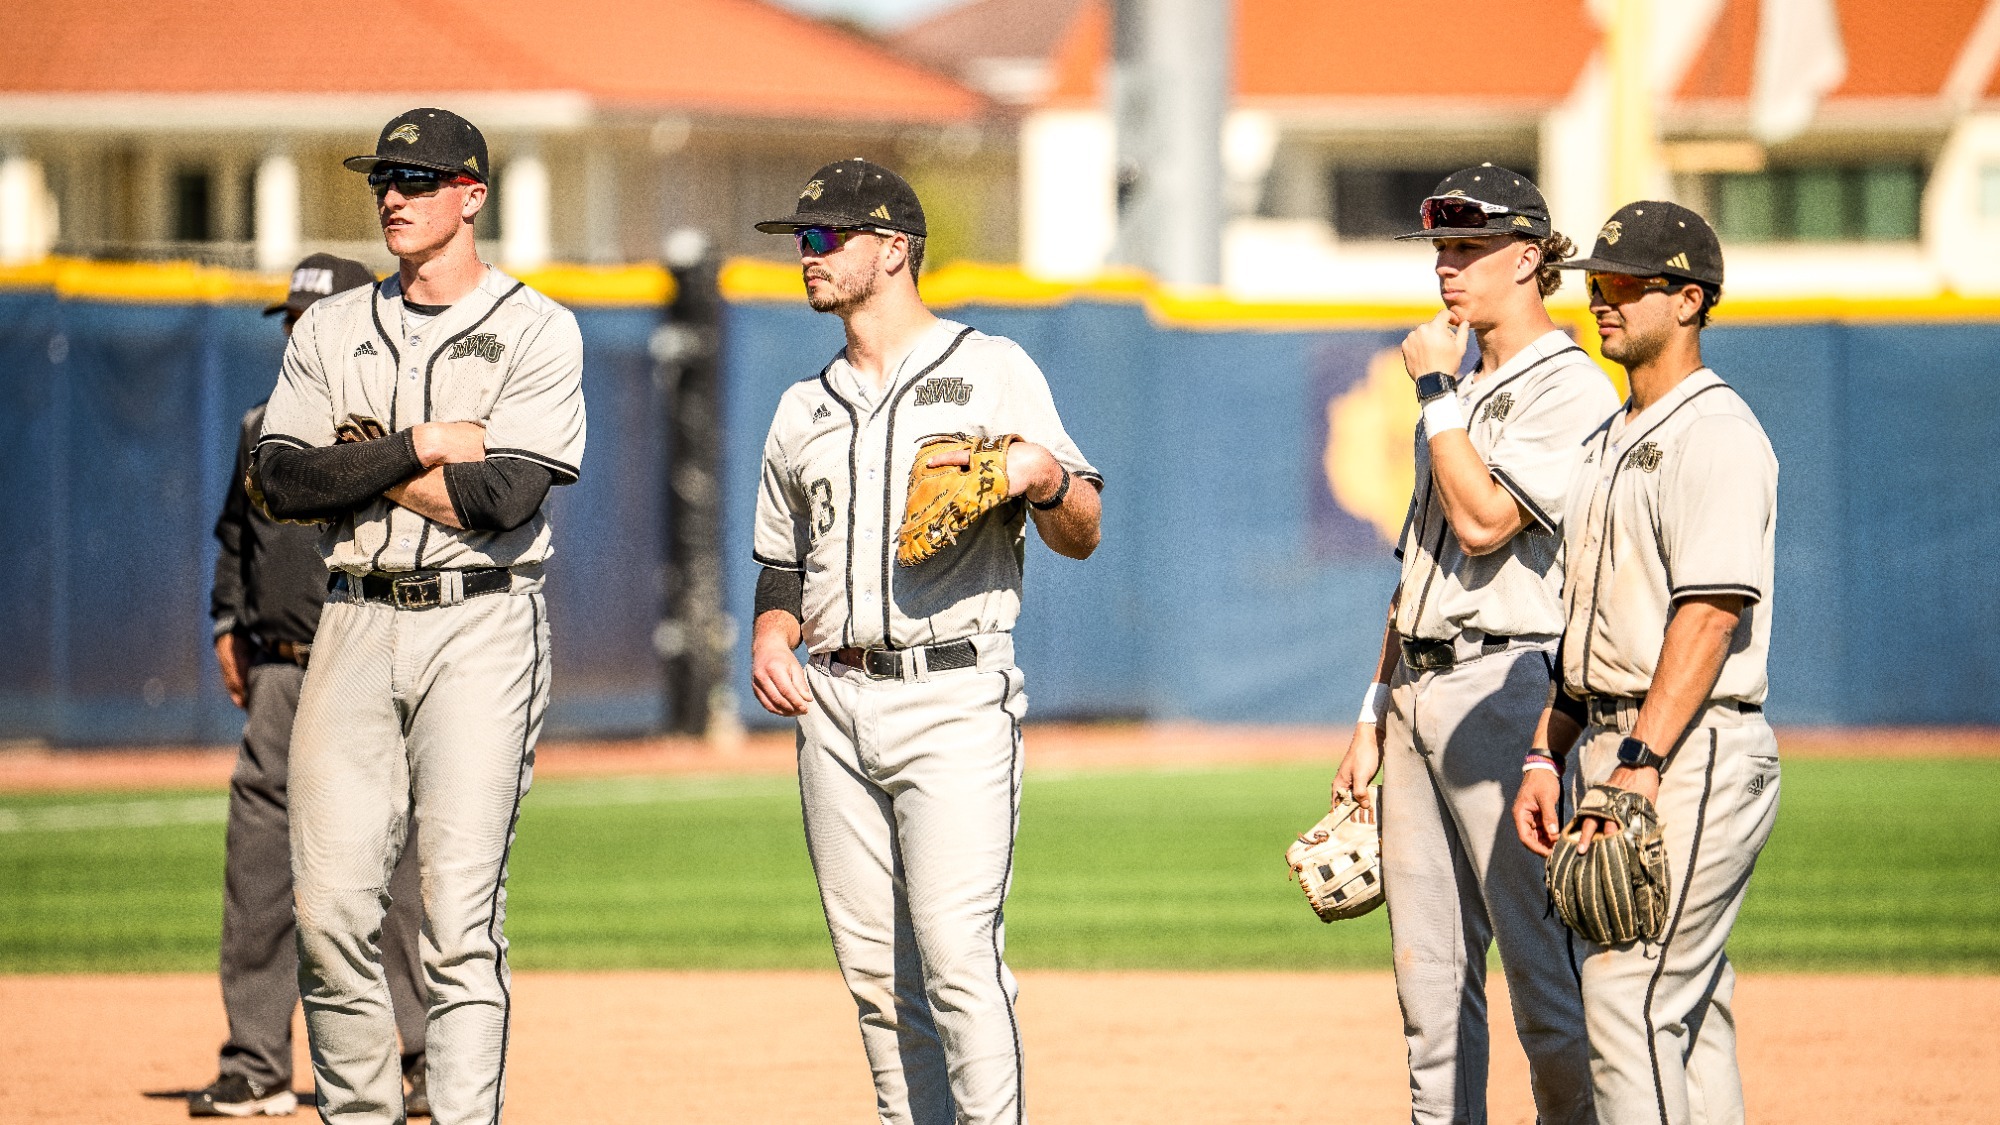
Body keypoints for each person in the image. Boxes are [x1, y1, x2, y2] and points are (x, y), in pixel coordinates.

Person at [747, 158, 1102, 1125]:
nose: (806, 256)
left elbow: (1085, 528)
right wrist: (771, 633)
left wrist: (1041, 477)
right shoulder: (801, 407)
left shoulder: (991, 368)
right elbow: (782, 565)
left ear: (893, 249)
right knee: (878, 983)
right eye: (799, 241)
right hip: (832, 703)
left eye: (825, 238)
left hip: (952, 699)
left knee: (955, 962)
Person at [250, 107, 586, 1124]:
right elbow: (278, 479)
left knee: (454, 916)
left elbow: (500, 501)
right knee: (328, 913)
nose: (392, 196)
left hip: (481, 626)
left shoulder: (537, 326)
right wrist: (418, 446)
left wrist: (356, 459)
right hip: (350, 619)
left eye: (417, 179)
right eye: (381, 179)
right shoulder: (333, 326)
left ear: (470, 195)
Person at [1328, 165, 1614, 1125]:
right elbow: (1418, 563)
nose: (1446, 268)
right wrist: (1372, 711)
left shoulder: (1569, 389)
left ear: (1529, 256)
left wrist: (1439, 393)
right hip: (1416, 686)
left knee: (1546, 984)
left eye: (1468, 248)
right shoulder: (1458, 387)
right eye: (1441, 250)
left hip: (1510, 685)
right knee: (1430, 995)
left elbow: (1488, 521)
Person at [1515, 200, 1780, 1125]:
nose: (1604, 297)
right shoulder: (1608, 438)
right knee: (1688, 1013)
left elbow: (1708, 616)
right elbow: (1584, 623)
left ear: (1692, 298)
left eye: (1629, 282)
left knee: (1628, 1002)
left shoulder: (1717, 431)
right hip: (1613, 740)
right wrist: (1548, 750)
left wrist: (1638, 767)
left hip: (1685, 750)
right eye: (1598, 281)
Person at [192, 254, 430, 1119]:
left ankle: (422, 1056)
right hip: (283, 674)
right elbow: (233, 535)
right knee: (258, 867)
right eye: (291, 320)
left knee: (397, 873)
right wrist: (228, 622)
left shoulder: (396, 430)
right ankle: (255, 1061)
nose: (297, 333)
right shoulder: (264, 426)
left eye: (312, 320)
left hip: (374, 667)